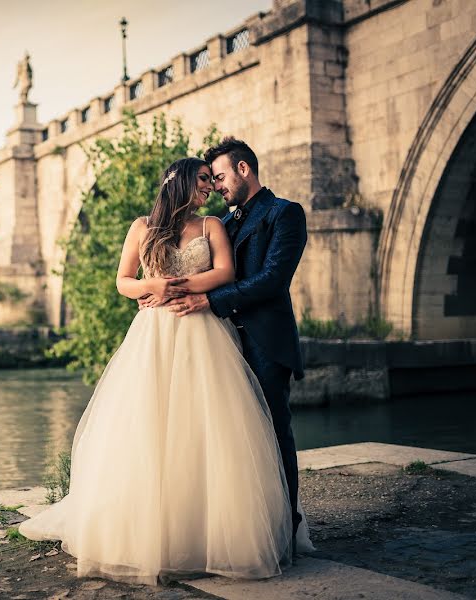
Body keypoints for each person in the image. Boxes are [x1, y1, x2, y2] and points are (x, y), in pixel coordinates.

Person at [19, 157, 298, 585]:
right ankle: (155, 533)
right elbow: (123, 280)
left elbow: (224, 271)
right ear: (181, 182)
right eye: (203, 180)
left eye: (212, 180)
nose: (208, 188)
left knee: (208, 428)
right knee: (150, 426)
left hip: (202, 329)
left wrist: (179, 287)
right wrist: (151, 287)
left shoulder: (212, 226)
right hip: (153, 333)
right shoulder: (141, 227)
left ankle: (213, 533)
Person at [160, 138, 308, 545]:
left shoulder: (285, 214)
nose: (215, 187)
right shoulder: (221, 224)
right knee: (230, 439)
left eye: (220, 176)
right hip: (220, 345)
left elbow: (272, 279)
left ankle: (286, 530)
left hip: (264, 341)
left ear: (244, 170)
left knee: (275, 436)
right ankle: (242, 529)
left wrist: (209, 298)